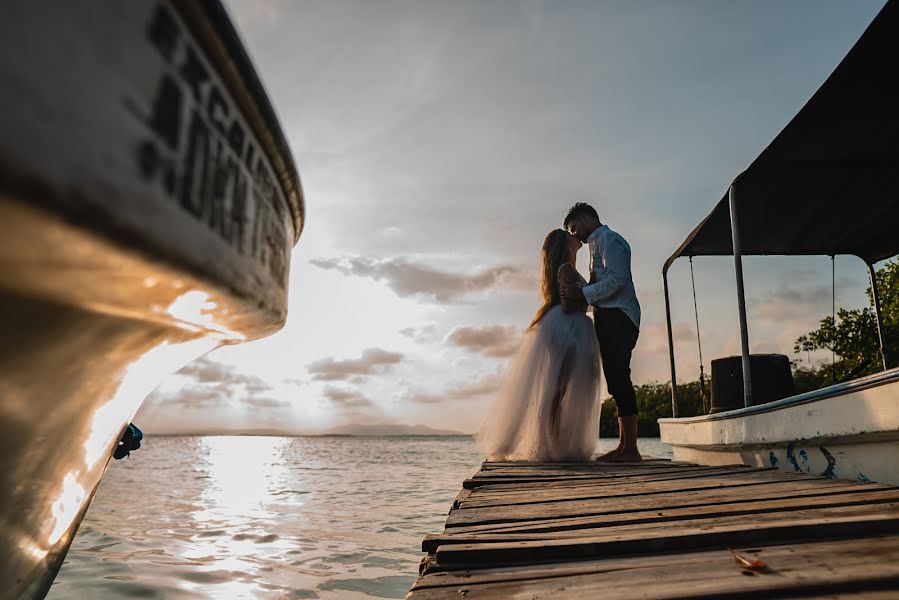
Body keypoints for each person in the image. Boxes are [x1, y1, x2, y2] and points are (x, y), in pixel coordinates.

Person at [475, 229, 602, 462]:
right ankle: (552, 442)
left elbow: (573, 299)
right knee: (559, 387)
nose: (576, 237)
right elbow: (567, 304)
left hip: (566, 326)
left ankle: (553, 441)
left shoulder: (565, 269)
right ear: (565, 245)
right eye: (570, 235)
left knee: (559, 387)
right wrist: (586, 293)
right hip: (568, 327)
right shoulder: (566, 269)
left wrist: (585, 290)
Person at [561, 202, 642, 462]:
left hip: (620, 315)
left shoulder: (610, 240)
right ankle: (623, 446)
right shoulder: (597, 245)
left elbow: (618, 280)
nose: (575, 235)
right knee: (615, 379)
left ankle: (631, 449)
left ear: (586, 219)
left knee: (619, 377)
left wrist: (582, 293)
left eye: (575, 228)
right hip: (608, 316)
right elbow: (603, 283)